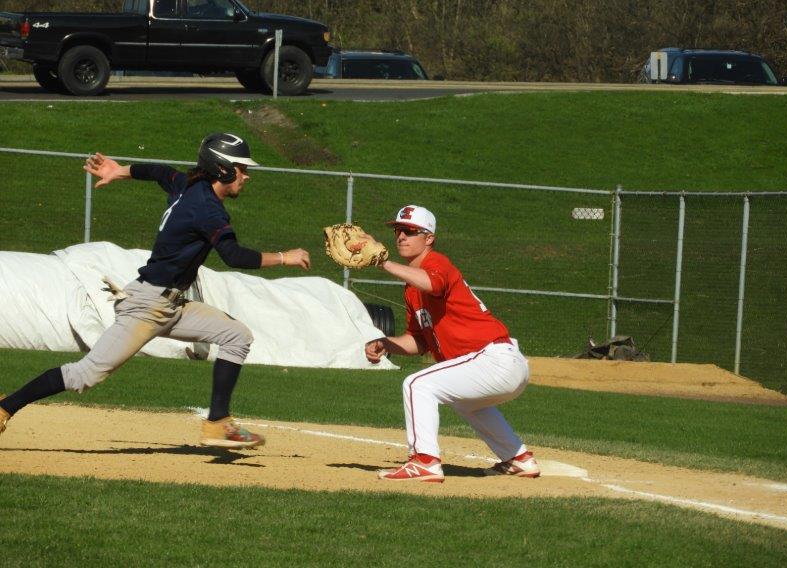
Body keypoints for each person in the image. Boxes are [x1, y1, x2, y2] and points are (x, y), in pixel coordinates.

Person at [0, 133, 310, 449]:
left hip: (171, 306)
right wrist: (285, 257)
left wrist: (118, 170)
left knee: (236, 336)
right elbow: (234, 256)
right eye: (242, 168)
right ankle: (5, 407)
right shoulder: (207, 209)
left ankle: (217, 423)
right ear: (223, 170)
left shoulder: (188, 185)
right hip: (146, 308)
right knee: (85, 375)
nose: (247, 175)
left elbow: (160, 172)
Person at [365, 205, 540, 482]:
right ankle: (518, 458)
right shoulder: (412, 290)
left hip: (494, 358)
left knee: (416, 384)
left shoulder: (437, 263)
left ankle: (424, 462)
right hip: (490, 365)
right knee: (466, 403)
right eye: (398, 231)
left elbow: (433, 285)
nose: (401, 236)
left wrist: (383, 263)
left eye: (410, 231)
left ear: (429, 238)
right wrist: (386, 343)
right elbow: (419, 342)